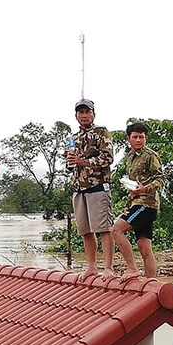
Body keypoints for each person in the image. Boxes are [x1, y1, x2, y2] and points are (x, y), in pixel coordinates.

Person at [66, 99, 115, 279]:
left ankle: (108, 267)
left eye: (87, 112)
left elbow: (108, 158)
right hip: (78, 188)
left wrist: (83, 161)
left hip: (98, 186)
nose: (84, 115)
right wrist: (70, 160)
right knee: (85, 230)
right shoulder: (72, 138)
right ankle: (92, 266)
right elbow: (69, 166)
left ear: (93, 114)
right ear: (76, 115)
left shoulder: (102, 132)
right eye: (80, 112)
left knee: (103, 228)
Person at [111, 122, 165, 281]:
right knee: (144, 247)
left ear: (146, 138)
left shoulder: (150, 156)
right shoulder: (129, 158)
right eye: (135, 137)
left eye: (141, 137)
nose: (138, 140)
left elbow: (161, 179)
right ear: (129, 139)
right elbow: (134, 184)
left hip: (146, 204)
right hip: (136, 203)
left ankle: (132, 269)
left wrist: (144, 189)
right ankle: (151, 282)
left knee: (116, 230)